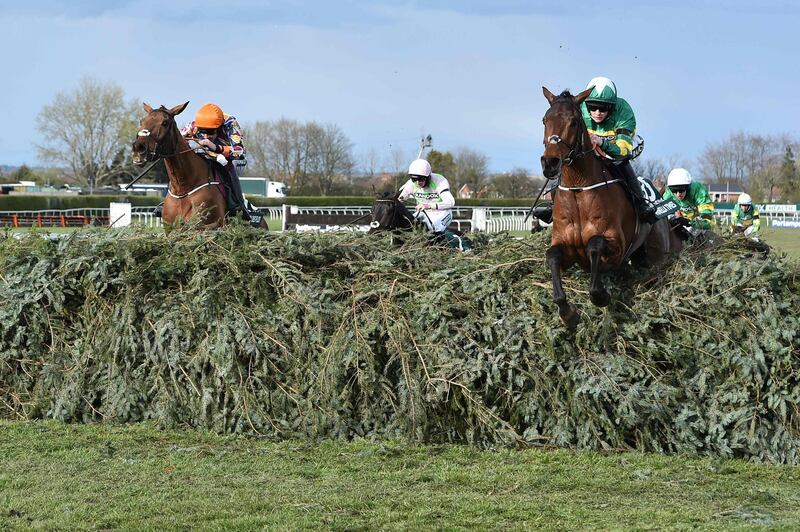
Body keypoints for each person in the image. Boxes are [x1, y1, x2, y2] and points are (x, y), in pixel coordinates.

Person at [531, 76, 656, 224]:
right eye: (593, 107)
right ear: (586, 104)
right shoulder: (579, 108)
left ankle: (641, 205)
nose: (597, 112)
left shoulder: (623, 110)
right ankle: (554, 206)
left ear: (612, 107)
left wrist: (602, 141)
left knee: (621, 163)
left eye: (603, 108)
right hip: (589, 149)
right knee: (566, 165)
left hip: (618, 146)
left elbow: (623, 151)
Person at [180, 103, 252, 218]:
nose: (206, 136)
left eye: (211, 132)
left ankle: (239, 205)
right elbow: (177, 139)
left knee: (227, 164)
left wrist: (215, 147)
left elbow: (240, 152)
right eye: (203, 131)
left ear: (219, 127)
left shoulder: (230, 123)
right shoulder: (194, 125)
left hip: (229, 159)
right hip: (205, 155)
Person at [398, 158, 455, 234]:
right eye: (414, 179)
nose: (418, 183)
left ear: (428, 177)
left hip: (442, 212)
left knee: (433, 229)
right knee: (408, 226)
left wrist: (428, 205)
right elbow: (399, 199)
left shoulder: (439, 181)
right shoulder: (410, 184)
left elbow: (451, 202)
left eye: (421, 179)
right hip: (423, 213)